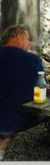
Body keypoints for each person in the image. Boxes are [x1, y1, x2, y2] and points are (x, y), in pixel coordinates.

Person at [0, 25, 44, 160]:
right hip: (20, 116)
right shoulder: (32, 59)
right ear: (18, 37)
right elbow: (43, 87)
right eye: (27, 39)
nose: (29, 43)